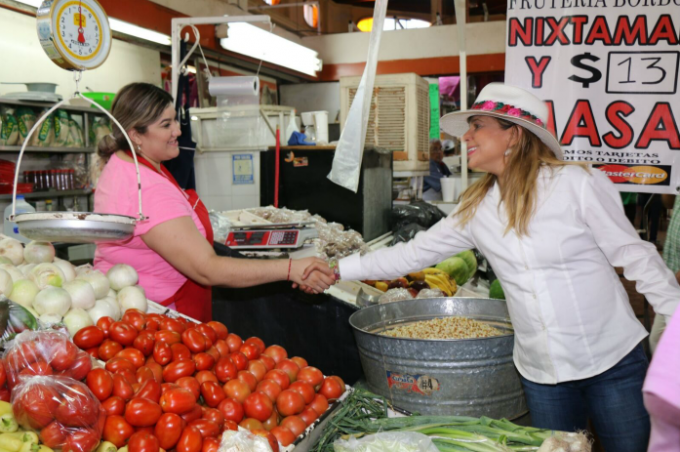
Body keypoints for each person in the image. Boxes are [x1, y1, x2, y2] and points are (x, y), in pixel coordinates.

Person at [303, 83, 680, 451]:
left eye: (477, 126)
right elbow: (413, 254)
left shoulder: (576, 184)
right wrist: (337, 269)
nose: (465, 136)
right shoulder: (478, 207)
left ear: (513, 134)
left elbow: (636, 255)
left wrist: (676, 324)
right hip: (542, 374)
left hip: (611, 360)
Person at [94, 83, 334, 322]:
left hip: (130, 308)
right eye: (166, 125)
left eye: (175, 120)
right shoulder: (148, 187)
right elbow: (206, 269)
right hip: (158, 317)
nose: (177, 131)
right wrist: (290, 268)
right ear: (135, 135)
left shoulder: (121, 164)